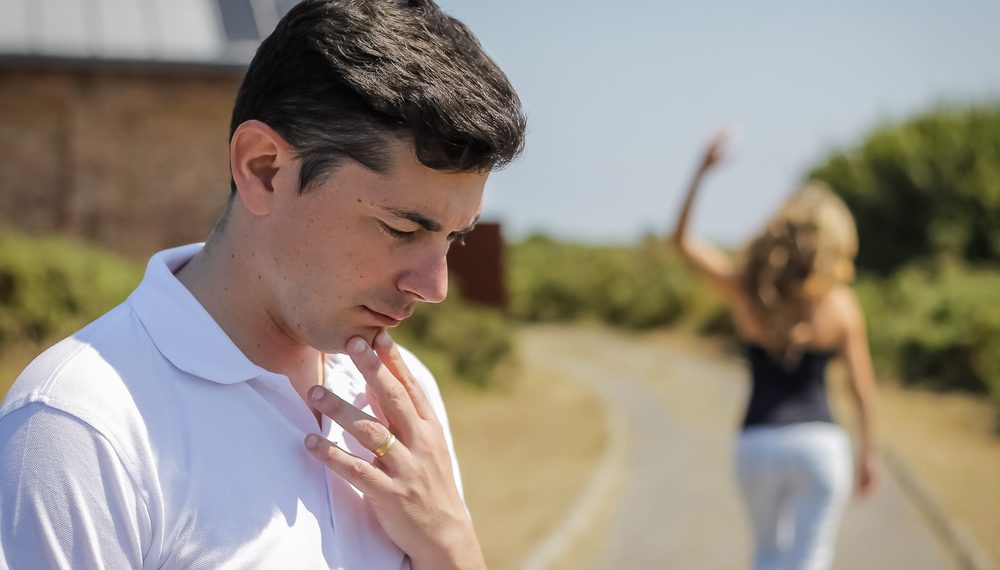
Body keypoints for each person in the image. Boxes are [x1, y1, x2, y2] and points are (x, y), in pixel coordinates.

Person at [0, 1, 525, 568]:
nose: (436, 286)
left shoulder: (403, 398)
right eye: (400, 228)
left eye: (453, 238)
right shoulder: (78, 425)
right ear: (263, 169)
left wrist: (452, 548)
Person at [670, 131, 878, 570]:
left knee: (767, 554)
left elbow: (683, 241)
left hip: (757, 442)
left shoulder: (749, 291)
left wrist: (701, 171)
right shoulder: (841, 304)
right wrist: (869, 453)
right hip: (822, 446)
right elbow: (862, 388)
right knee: (810, 557)